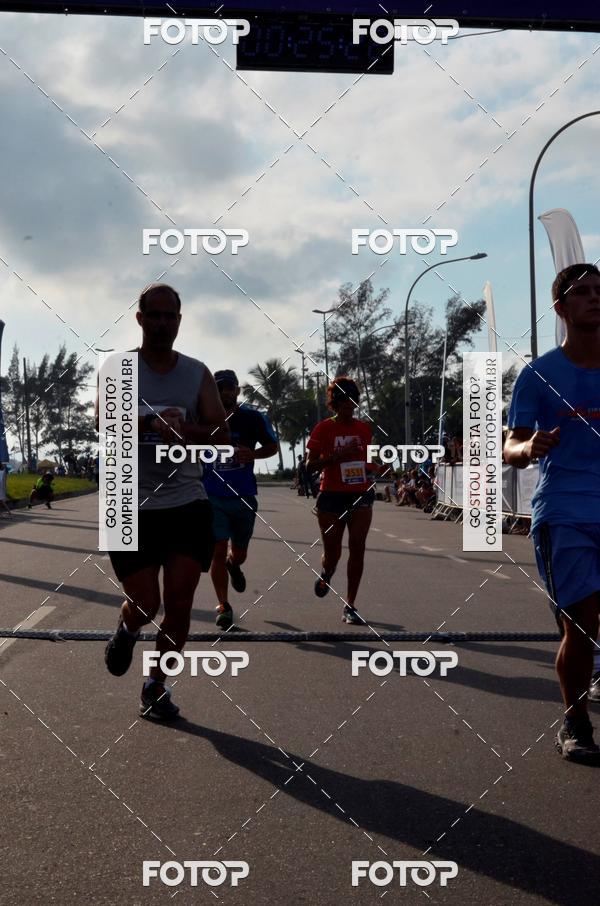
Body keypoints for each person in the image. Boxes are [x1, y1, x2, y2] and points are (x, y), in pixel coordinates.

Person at [100, 283, 230, 720]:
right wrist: (149, 422)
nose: (160, 323)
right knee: (144, 604)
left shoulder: (197, 373)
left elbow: (220, 434)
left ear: (179, 319)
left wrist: (185, 432)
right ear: (139, 319)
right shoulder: (118, 369)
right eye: (152, 315)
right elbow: (104, 423)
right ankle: (126, 627)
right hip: (128, 500)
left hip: (185, 502)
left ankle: (156, 685)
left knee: (178, 603)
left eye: (168, 316)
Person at [505, 263, 600, 763]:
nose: (593, 298)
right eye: (581, 292)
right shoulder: (539, 374)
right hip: (565, 511)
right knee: (582, 625)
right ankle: (575, 722)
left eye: (599, 290)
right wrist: (528, 448)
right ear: (560, 308)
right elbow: (511, 444)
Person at [202, 369, 278, 630]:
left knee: (239, 554)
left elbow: (272, 446)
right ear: (213, 391)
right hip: (212, 495)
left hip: (244, 495)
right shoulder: (202, 416)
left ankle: (234, 566)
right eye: (219, 387)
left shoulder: (253, 418)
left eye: (230, 387)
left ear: (237, 391)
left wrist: (253, 455)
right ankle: (223, 605)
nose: (225, 392)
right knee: (218, 549)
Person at [306, 376, 381, 624]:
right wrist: (338, 455)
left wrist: (380, 468)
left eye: (353, 401)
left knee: (358, 546)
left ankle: (350, 605)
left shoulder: (363, 429)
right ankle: (327, 573)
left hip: (360, 494)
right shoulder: (324, 428)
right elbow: (310, 465)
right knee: (333, 553)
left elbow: (368, 462)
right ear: (335, 404)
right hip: (331, 497)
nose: (350, 406)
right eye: (345, 402)